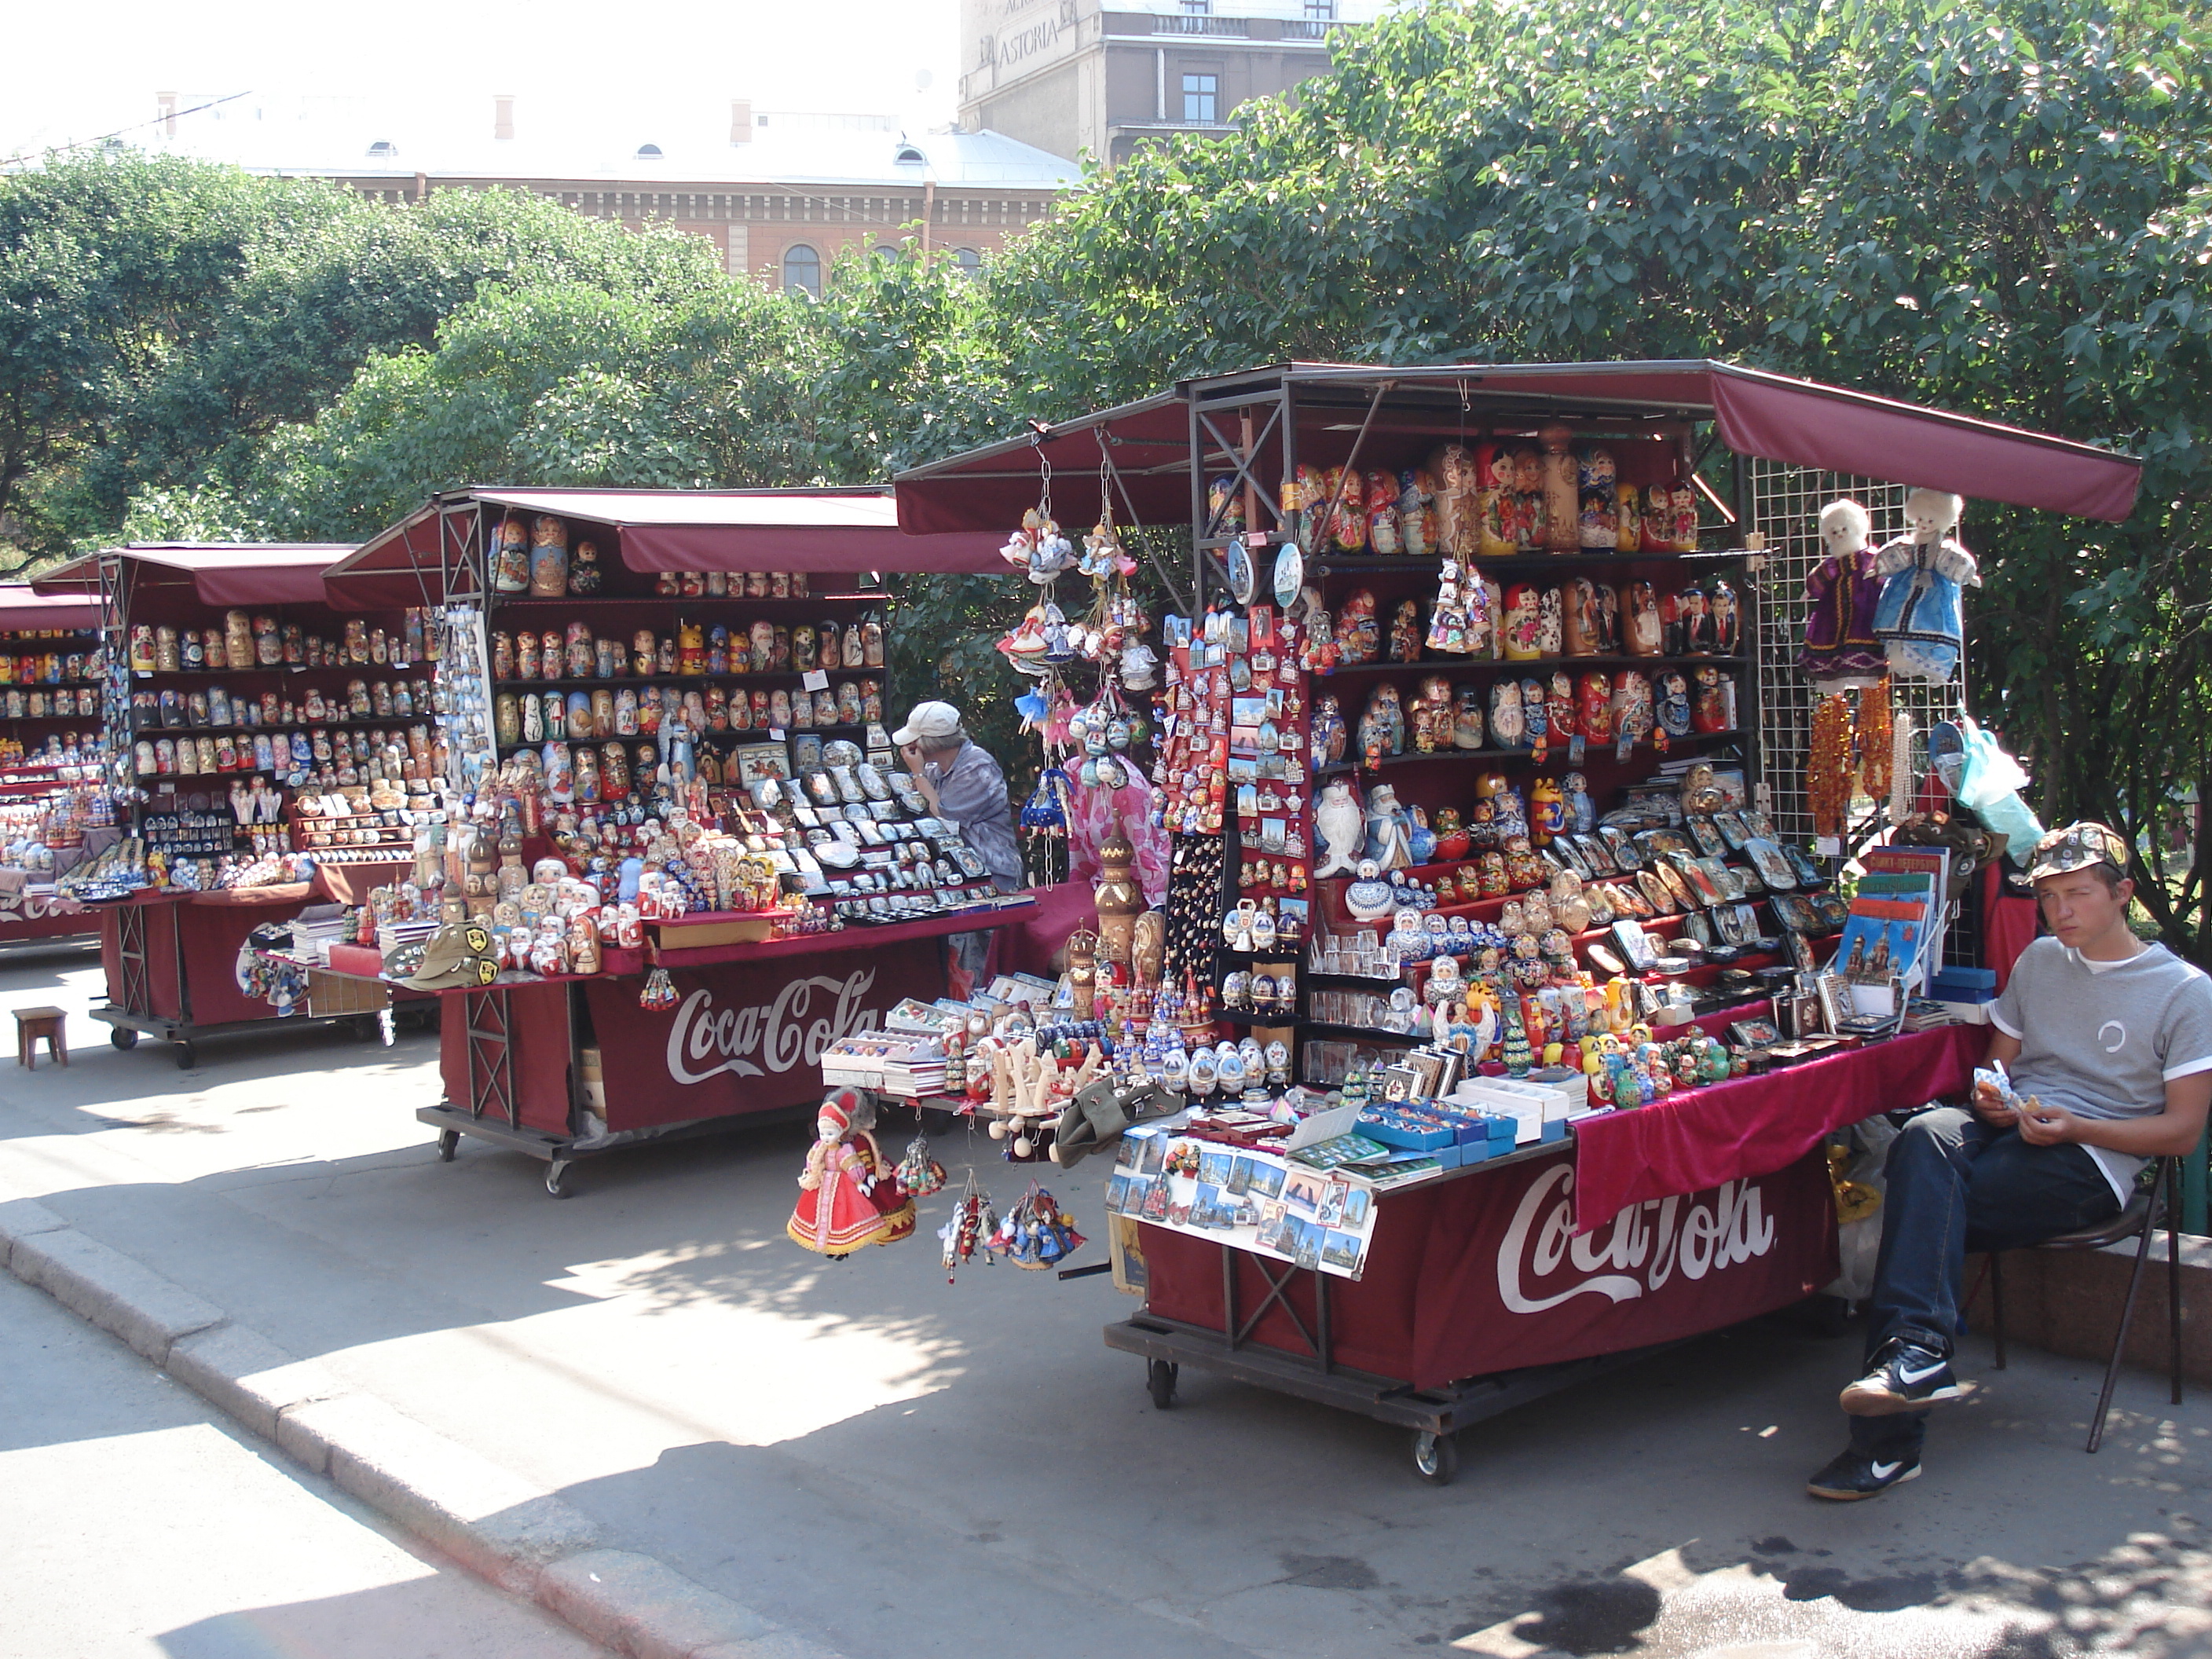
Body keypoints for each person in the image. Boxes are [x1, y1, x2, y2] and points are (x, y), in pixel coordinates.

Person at [1807, 822, 2212, 1501]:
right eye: (2050, 898)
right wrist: (1993, 1095)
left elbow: (2181, 1134)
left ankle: (1892, 1426)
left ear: (2123, 894)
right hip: (2015, 1126)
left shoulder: (2184, 992)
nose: (2061, 913)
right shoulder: (2040, 960)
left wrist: (2079, 1124)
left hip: (2090, 1156)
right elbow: (2001, 1062)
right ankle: (1919, 1358)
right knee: (1927, 1134)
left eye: (2078, 895)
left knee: (1925, 1208)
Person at [895, 701, 1022, 991]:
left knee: (981, 963)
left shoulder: (977, 766)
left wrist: (917, 774)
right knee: (960, 958)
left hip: (991, 872)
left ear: (929, 742)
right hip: (960, 876)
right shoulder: (939, 767)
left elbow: (945, 814)